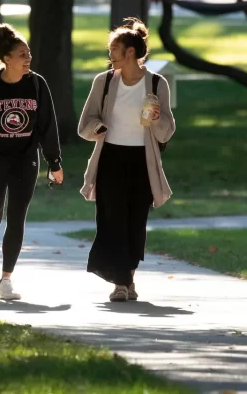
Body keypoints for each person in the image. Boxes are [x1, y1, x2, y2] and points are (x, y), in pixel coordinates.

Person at [0, 23, 64, 300]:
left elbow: (47, 127)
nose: (28, 58)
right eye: (21, 54)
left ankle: (6, 280)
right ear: (6, 59)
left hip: (24, 159)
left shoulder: (37, 85)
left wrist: (55, 163)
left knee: (17, 219)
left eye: (28, 53)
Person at [77, 18, 176, 302]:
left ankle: (128, 277)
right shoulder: (104, 81)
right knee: (112, 221)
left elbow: (167, 130)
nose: (110, 55)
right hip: (110, 159)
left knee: (135, 223)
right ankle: (120, 284)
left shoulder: (157, 83)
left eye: (114, 49)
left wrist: (156, 120)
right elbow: (85, 122)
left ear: (130, 52)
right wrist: (99, 129)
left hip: (142, 162)